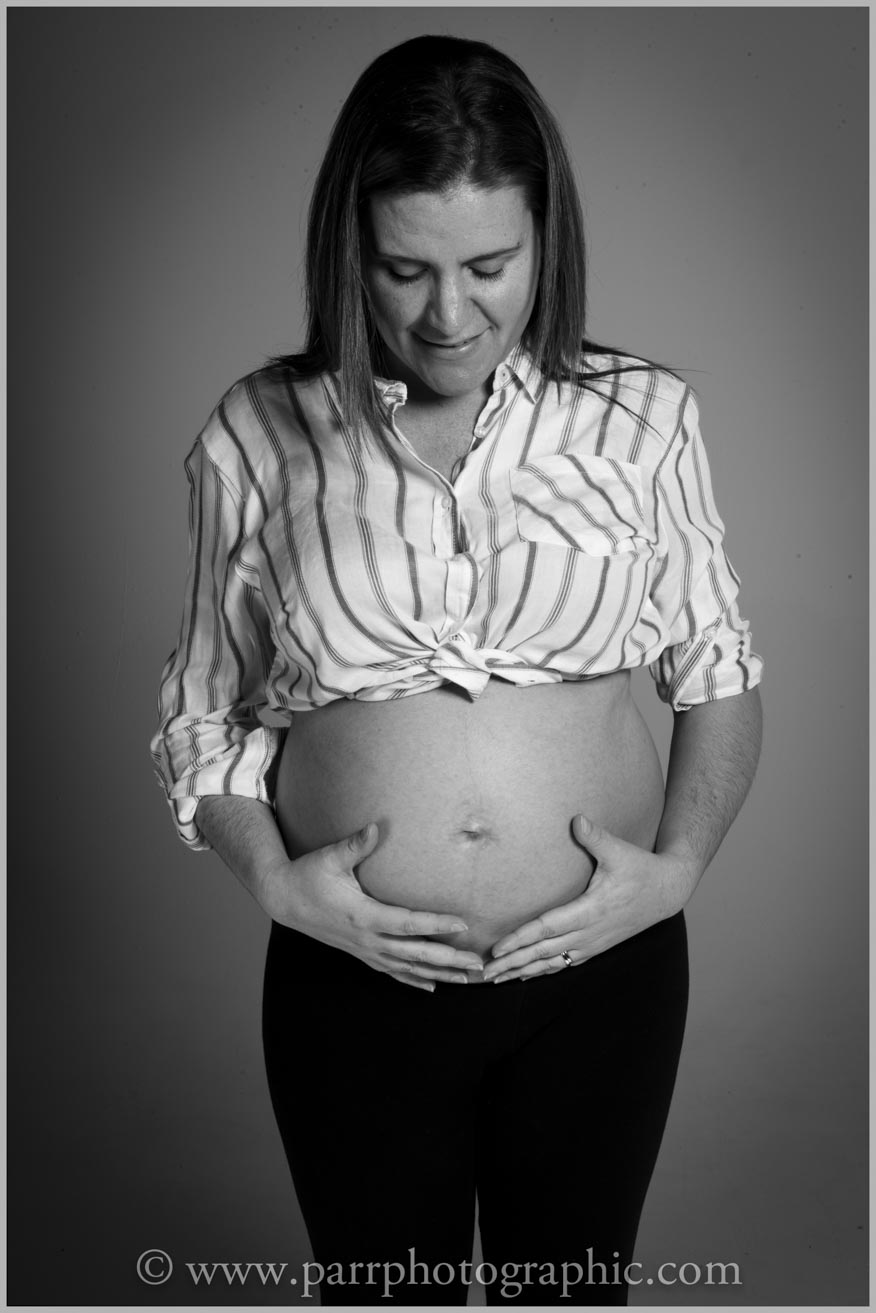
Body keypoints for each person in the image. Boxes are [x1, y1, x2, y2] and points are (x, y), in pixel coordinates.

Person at [151, 33, 763, 1307]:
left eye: (491, 266)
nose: (450, 313)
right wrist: (275, 882)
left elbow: (720, 672)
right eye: (404, 269)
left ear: (549, 240)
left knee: (573, 1297)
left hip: (599, 973)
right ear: (348, 250)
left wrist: (678, 871)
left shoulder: (644, 418)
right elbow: (206, 706)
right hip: (352, 973)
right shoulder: (258, 433)